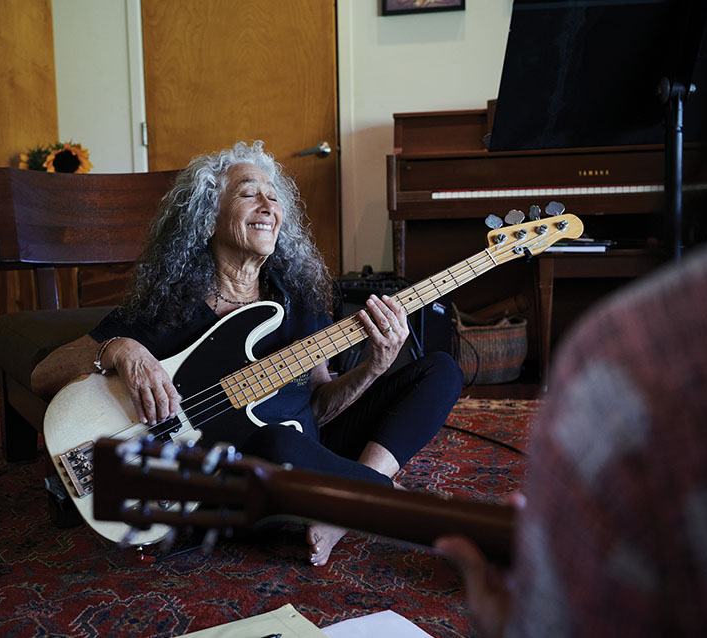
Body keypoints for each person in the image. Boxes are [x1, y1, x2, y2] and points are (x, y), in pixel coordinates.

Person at [32, 141, 463, 566]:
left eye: (274, 198)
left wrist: (375, 367)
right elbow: (44, 373)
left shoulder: (298, 301)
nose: (268, 206)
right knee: (277, 441)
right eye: (247, 193)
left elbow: (321, 407)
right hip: (238, 480)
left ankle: (345, 509)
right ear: (206, 219)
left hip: (307, 452)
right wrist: (121, 350)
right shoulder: (167, 308)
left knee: (440, 370)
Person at [437, 212, 707, 636]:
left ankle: (366, 478)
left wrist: (374, 366)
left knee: (441, 371)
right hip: (327, 430)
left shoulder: (620, 357)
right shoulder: (628, 358)